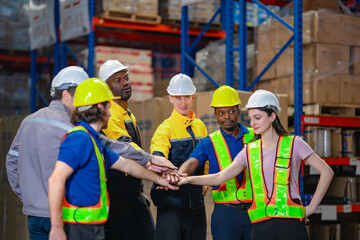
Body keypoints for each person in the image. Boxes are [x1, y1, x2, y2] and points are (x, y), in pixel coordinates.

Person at [178, 90, 334, 240]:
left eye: (258, 118)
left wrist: (312, 207)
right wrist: (187, 179)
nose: (253, 123)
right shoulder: (250, 150)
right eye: (251, 118)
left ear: (273, 116)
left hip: (291, 223)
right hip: (260, 224)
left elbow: (327, 172)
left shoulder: (294, 143)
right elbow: (220, 177)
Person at [48, 78, 178, 240]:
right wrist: (56, 228)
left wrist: (158, 179)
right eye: (109, 108)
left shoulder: (94, 141)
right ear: (100, 107)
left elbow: (126, 165)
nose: (110, 114)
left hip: (93, 226)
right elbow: (55, 180)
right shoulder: (79, 139)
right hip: (79, 228)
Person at [6, 66, 90, 239]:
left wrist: (28, 196)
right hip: (62, 215)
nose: (85, 104)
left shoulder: (28, 121)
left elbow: (12, 162)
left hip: (34, 214)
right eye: (82, 97)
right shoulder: (73, 128)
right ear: (66, 95)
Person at [178, 85, 253, 240]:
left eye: (231, 111)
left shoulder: (255, 136)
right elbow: (192, 163)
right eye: (221, 113)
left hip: (255, 210)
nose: (227, 116)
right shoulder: (209, 142)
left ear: (238, 110)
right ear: (215, 115)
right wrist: (180, 175)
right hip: (225, 214)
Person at [99, 59, 155, 240]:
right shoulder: (111, 114)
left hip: (132, 192)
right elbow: (125, 146)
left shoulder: (128, 114)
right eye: (118, 80)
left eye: (126, 78)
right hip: (117, 194)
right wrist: (153, 163)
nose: (125, 83)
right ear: (106, 87)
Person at [150, 73, 208, 240]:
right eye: (178, 98)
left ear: (193, 97)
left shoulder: (200, 126)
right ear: (170, 98)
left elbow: (206, 156)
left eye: (187, 97)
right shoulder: (165, 129)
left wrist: (206, 180)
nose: (183, 103)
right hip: (171, 205)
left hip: (196, 205)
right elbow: (158, 155)